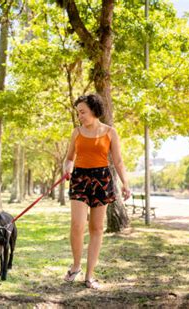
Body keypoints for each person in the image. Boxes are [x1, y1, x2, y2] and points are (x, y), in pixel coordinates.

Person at [63, 94, 131, 289]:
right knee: (77, 225)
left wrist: (125, 183)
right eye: (78, 113)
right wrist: (67, 167)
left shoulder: (110, 132)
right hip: (79, 179)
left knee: (97, 228)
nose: (80, 116)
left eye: (82, 112)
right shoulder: (76, 132)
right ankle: (76, 265)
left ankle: (89, 275)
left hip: (102, 179)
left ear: (94, 110)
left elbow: (118, 161)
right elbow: (69, 158)